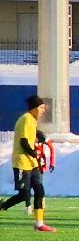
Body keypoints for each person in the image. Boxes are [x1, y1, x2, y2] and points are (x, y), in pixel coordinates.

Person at [0, 94, 55, 232]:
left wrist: (40, 136)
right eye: (41, 107)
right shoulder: (26, 119)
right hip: (22, 162)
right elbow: (24, 142)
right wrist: (34, 153)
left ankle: (39, 224)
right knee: (24, 194)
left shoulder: (32, 120)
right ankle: (2, 206)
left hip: (32, 163)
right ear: (35, 108)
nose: (43, 110)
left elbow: (32, 135)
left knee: (39, 190)